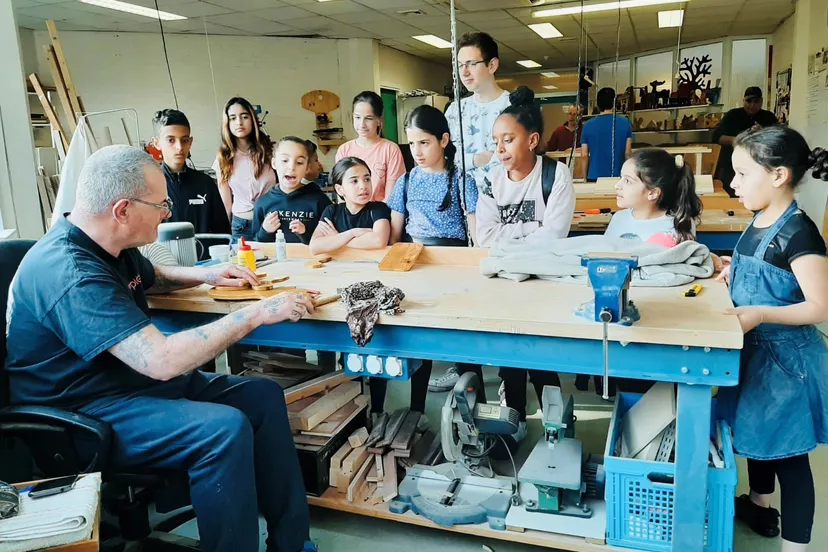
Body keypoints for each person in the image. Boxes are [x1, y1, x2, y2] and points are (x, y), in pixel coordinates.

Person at [4, 145, 318, 552]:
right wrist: (257, 313)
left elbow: (151, 275)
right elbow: (162, 360)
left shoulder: (108, 243)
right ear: (122, 210)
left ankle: (292, 544)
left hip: (126, 385)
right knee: (222, 430)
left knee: (262, 396)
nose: (167, 213)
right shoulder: (71, 272)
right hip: (81, 413)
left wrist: (207, 274)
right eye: (161, 205)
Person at [715, 126, 828, 552]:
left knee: (790, 458)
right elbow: (771, 277)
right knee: (758, 436)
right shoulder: (760, 219)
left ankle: (796, 547)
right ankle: (759, 504)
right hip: (756, 354)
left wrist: (761, 312)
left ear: (778, 175)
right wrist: (731, 271)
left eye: (743, 174)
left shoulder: (799, 233)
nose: (733, 183)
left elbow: (819, 306)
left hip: (786, 365)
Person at [475, 86, 576, 442]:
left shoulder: (555, 175)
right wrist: (531, 233)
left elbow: (555, 236)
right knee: (510, 355)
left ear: (532, 140)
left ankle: (555, 427)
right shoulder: (491, 181)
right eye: (496, 141)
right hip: (504, 283)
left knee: (542, 356)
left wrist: (510, 241)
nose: (500, 149)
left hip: (544, 282)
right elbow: (484, 237)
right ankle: (513, 422)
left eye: (508, 140)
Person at [429, 31, 512, 393]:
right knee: (464, 290)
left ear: (492, 65)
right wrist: (478, 159)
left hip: (504, 207)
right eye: (460, 65)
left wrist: (483, 159)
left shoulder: (512, 107)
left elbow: (517, 156)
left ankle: (510, 373)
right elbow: (448, 157)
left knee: (504, 287)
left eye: (472, 64)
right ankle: (466, 370)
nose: (464, 72)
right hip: (462, 208)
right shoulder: (455, 110)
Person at [151, 109, 230, 259]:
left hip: (204, 265)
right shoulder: (149, 186)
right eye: (171, 140)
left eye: (184, 140)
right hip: (165, 265)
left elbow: (223, 232)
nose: (179, 147)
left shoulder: (205, 183)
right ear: (157, 143)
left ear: (191, 142)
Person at [606, 149, 702, 247]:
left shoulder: (680, 222)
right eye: (621, 177)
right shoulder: (618, 218)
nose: (617, 186)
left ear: (653, 193)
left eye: (627, 181)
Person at [214, 97, 276, 241]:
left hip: (271, 222)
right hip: (241, 226)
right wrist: (225, 231)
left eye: (244, 116)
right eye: (233, 118)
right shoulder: (223, 158)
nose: (239, 122)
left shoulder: (270, 151)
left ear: (253, 119)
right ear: (227, 123)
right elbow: (226, 203)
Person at [254, 136, 331, 244]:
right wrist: (265, 231)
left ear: (307, 168)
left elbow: (329, 241)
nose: (291, 167)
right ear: (274, 163)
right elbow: (256, 243)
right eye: (285, 160)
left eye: (299, 162)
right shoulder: (262, 202)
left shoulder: (320, 201)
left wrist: (305, 233)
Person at [308, 157, 391, 255]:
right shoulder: (332, 211)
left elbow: (378, 241)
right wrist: (353, 233)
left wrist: (337, 237)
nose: (363, 186)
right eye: (354, 181)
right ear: (339, 189)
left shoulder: (379, 208)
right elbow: (315, 247)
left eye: (367, 179)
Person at [335, 92, 406, 202]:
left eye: (368, 118)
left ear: (379, 121)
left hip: (381, 211)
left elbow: (393, 197)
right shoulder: (344, 150)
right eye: (357, 117)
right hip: (351, 211)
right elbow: (342, 195)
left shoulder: (390, 149)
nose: (362, 124)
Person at [712, 86, 778, 196]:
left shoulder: (769, 118)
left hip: (760, 168)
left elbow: (778, 141)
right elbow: (716, 138)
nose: (752, 105)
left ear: (761, 101)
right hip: (731, 168)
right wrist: (740, 140)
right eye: (749, 101)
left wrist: (762, 133)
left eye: (756, 101)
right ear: (743, 101)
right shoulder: (733, 115)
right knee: (731, 197)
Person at [581, 87, 633, 181]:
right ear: (614, 103)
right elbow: (627, 153)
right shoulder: (625, 122)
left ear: (598, 104)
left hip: (594, 176)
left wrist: (584, 178)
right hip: (618, 175)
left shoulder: (587, 125)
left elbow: (584, 155)